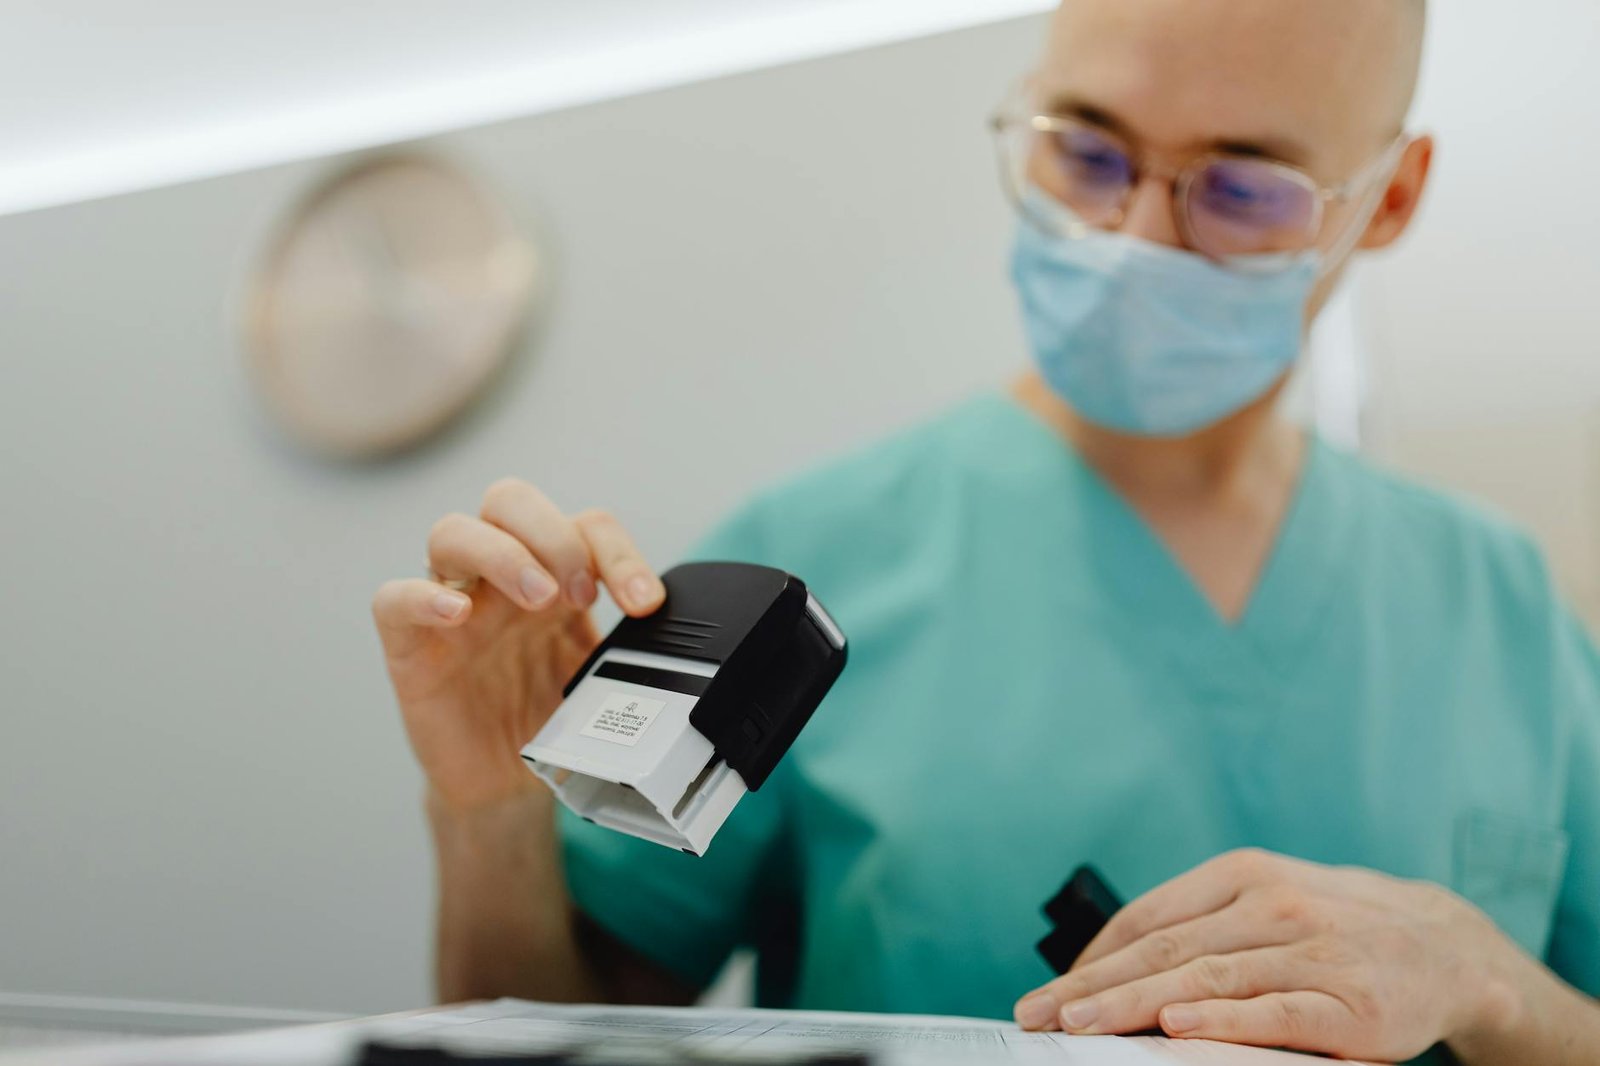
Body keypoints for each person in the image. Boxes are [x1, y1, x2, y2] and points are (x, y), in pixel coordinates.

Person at [372, 0, 1600, 1062]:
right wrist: (486, 813)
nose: (1132, 240)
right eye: (1088, 153)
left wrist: (1488, 978)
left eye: (1238, 187)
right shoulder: (806, 570)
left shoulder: (1497, 602)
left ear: (1387, 197)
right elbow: (562, 1021)